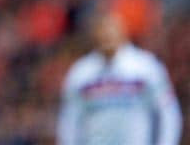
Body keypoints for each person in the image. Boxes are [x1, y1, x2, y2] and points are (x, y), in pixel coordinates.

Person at [57, 8, 182, 145]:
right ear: (94, 35)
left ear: (123, 32)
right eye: (103, 33)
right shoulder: (81, 73)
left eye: (111, 32)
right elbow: (69, 119)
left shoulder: (146, 68)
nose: (107, 37)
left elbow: (167, 113)